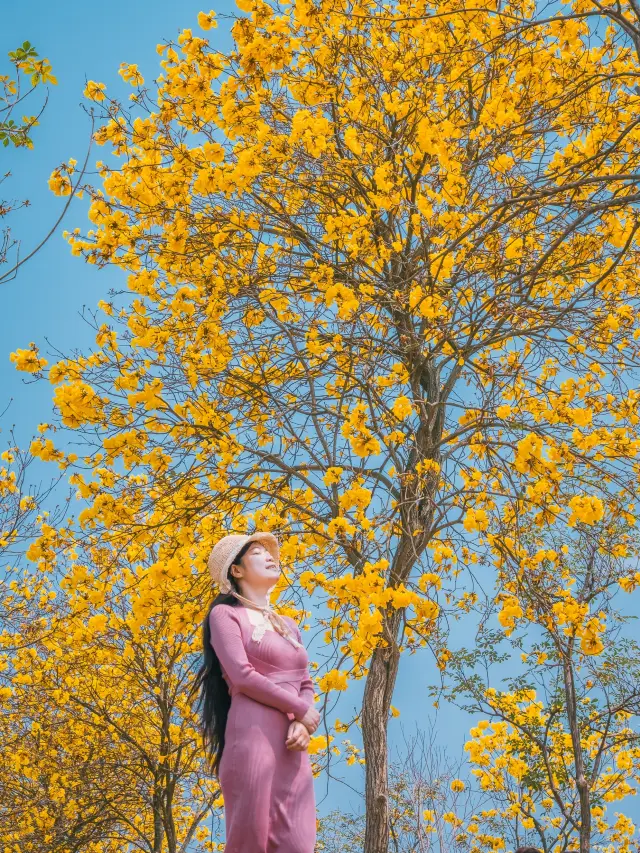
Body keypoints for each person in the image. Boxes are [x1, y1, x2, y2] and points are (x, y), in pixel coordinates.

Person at [190, 531, 320, 853]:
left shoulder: (288, 624)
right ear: (236, 570)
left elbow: (305, 681)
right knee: (252, 840)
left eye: (269, 551)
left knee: (299, 843)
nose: (269, 556)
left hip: (292, 744)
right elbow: (242, 676)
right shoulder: (225, 614)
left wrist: (303, 723)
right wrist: (300, 711)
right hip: (253, 736)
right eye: (257, 552)